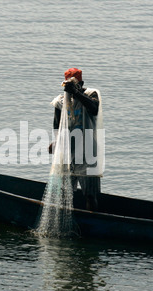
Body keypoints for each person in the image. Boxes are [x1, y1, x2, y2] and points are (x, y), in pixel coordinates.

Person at [49, 68, 104, 211]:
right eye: (69, 85)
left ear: (81, 83)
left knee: (90, 194)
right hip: (67, 153)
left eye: (75, 84)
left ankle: (93, 223)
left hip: (87, 153)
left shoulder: (91, 94)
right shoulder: (60, 101)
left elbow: (93, 109)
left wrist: (76, 93)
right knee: (63, 194)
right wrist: (56, 143)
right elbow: (57, 125)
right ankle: (66, 220)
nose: (71, 88)